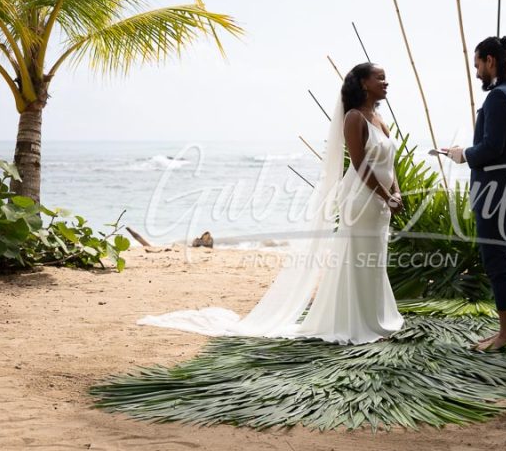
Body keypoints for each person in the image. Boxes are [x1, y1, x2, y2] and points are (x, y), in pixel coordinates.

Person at [138, 63, 404, 344]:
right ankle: (355, 322)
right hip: (362, 198)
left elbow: (389, 163)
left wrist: (395, 192)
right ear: (363, 83)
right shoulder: (354, 118)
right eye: (380, 78)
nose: (386, 83)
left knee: (374, 258)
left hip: (381, 200)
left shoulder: (379, 117)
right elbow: (360, 164)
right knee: (357, 258)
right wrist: (385, 195)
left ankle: (375, 318)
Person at [444, 36, 506, 351]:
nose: (477, 72)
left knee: (498, 261)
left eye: (478, 64)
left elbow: (491, 148)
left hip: (495, 192)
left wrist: (462, 154)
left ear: (490, 60)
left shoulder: (497, 98)